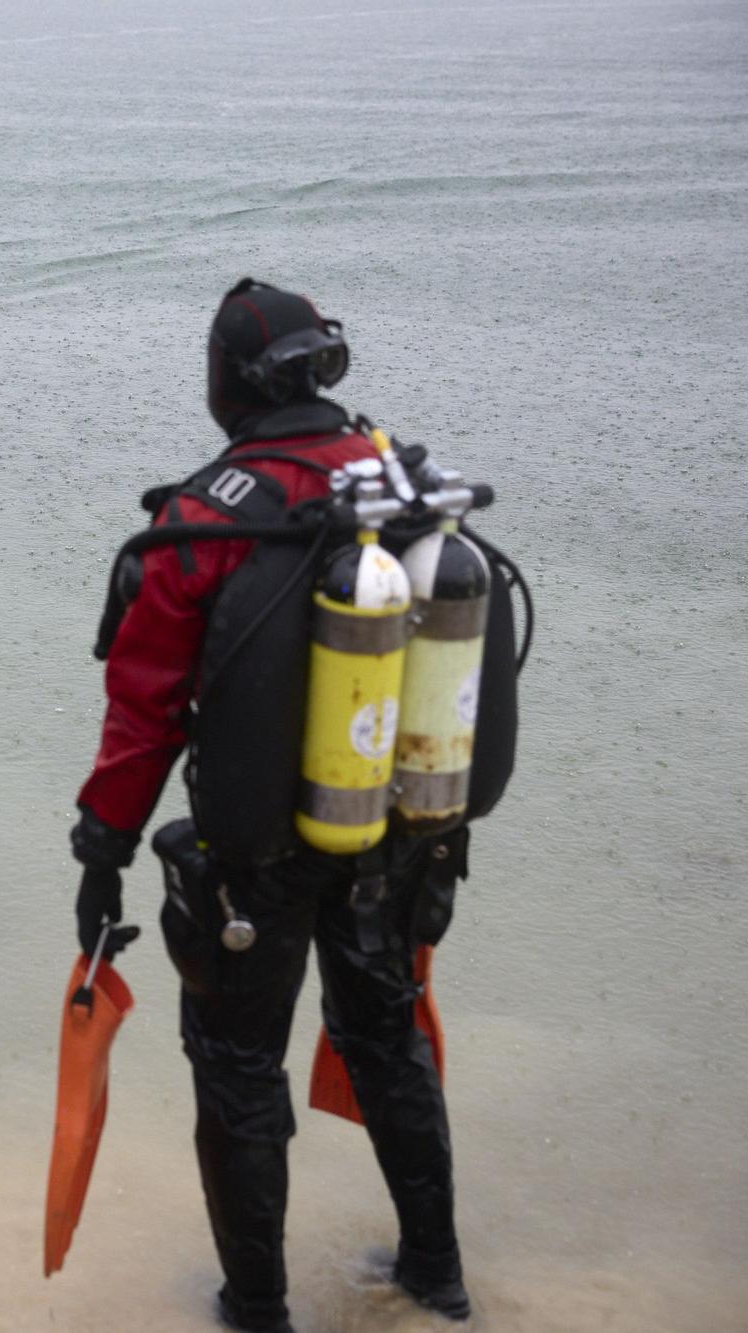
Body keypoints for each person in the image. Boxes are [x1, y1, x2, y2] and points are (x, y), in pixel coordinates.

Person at [70, 279, 479, 1332]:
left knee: (239, 1068)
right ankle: (435, 1277)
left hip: (251, 857)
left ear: (229, 384)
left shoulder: (203, 517)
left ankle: (256, 1310)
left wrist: (102, 852)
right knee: (385, 1037)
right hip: (394, 831)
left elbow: (144, 710)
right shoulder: (396, 485)